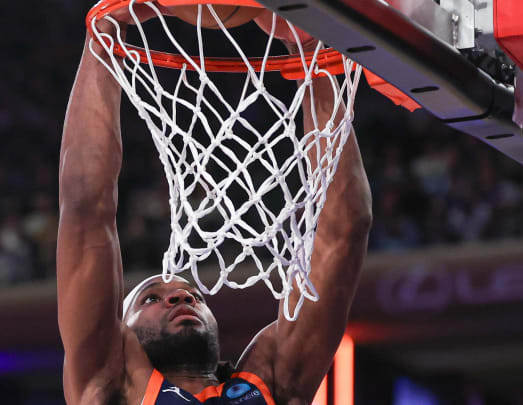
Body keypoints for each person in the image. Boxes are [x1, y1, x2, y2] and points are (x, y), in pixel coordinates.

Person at [57, 5, 372, 404]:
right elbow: (86, 206)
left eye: (193, 296)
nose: (181, 297)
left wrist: (306, 50)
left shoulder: (271, 379)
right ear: (119, 334)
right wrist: (100, 37)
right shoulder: (108, 388)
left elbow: (345, 228)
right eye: (150, 299)